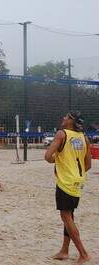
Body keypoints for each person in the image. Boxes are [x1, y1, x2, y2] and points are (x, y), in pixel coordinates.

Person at [45, 111, 91, 265]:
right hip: (78, 181)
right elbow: (88, 165)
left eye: (66, 116)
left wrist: (56, 160)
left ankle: (83, 253)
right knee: (69, 216)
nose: (63, 118)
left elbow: (47, 156)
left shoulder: (61, 134)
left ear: (71, 121)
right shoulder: (84, 137)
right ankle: (64, 251)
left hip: (65, 181)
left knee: (66, 217)